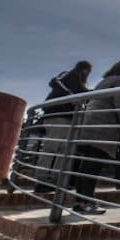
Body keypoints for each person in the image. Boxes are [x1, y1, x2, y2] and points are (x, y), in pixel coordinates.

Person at [73, 59, 120, 215]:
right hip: (104, 127)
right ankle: (87, 202)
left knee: (86, 165)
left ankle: (80, 201)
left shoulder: (105, 81)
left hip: (90, 124)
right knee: (93, 166)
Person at [34, 61, 92, 193]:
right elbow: (76, 92)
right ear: (84, 69)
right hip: (59, 116)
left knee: (62, 150)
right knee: (53, 148)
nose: (87, 74)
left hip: (63, 117)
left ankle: (54, 179)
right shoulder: (72, 76)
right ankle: (43, 180)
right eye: (88, 71)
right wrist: (91, 93)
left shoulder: (70, 78)